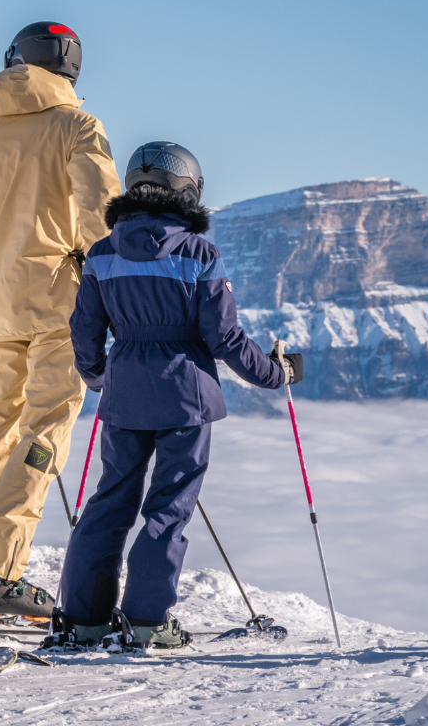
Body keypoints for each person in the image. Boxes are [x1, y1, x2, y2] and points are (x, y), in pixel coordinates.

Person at [52, 142, 300, 649]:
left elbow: (84, 332)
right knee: (168, 507)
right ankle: (146, 621)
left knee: (109, 501)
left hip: (123, 395)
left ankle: (85, 619)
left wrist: (100, 377)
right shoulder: (199, 255)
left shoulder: (102, 254)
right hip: (186, 398)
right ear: (187, 191)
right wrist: (278, 374)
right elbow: (225, 340)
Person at [0, 21, 121, 621]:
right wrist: (116, 293)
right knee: (44, 432)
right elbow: (101, 215)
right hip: (62, 305)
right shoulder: (79, 126)